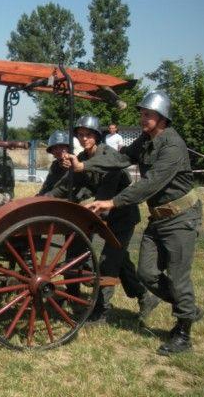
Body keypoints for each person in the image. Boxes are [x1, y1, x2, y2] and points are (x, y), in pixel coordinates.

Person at [77, 91, 202, 355]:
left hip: (181, 217)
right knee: (147, 274)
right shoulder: (146, 140)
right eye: (142, 114)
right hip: (159, 217)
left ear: (162, 117)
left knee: (178, 277)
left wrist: (113, 202)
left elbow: (150, 184)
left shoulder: (172, 146)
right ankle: (188, 308)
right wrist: (84, 165)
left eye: (148, 115)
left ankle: (183, 334)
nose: (143, 119)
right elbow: (121, 158)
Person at [47, 115, 158, 324]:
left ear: (97, 136)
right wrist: (41, 200)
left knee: (108, 261)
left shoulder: (109, 156)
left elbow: (105, 195)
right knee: (120, 259)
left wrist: (87, 211)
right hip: (105, 214)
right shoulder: (82, 158)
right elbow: (65, 185)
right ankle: (145, 297)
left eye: (88, 135)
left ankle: (101, 311)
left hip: (123, 216)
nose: (84, 139)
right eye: (80, 135)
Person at [37, 130, 70, 196]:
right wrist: (39, 197)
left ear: (68, 148)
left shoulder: (75, 163)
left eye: (61, 147)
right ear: (51, 151)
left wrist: (47, 196)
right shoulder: (55, 165)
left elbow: (65, 187)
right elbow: (47, 185)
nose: (58, 150)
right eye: (55, 148)